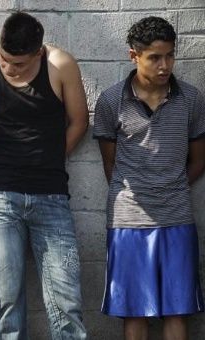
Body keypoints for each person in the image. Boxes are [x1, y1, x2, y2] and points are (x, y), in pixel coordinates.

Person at [0, 11, 88, 339]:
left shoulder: (61, 66)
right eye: (5, 59)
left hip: (52, 196)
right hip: (2, 198)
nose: (9, 68)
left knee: (66, 301)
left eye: (19, 64)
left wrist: (51, 159)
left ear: (39, 53)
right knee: (7, 299)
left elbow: (79, 121)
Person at [94, 16, 205, 340]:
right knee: (135, 312)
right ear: (134, 56)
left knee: (177, 309)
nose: (164, 65)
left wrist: (171, 187)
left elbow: (199, 160)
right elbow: (110, 164)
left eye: (169, 55)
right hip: (128, 221)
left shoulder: (192, 99)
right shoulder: (112, 101)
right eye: (155, 57)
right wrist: (138, 191)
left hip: (177, 217)